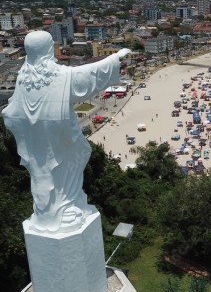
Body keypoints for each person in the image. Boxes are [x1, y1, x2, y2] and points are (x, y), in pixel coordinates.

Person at [3, 31, 131, 233]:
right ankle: (66, 206)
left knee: (42, 172)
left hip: (36, 142)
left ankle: (49, 210)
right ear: (47, 49)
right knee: (72, 161)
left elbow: (12, 111)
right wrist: (115, 59)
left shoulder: (23, 78)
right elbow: (88, 75)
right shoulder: (59, 76)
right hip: (62, 140)